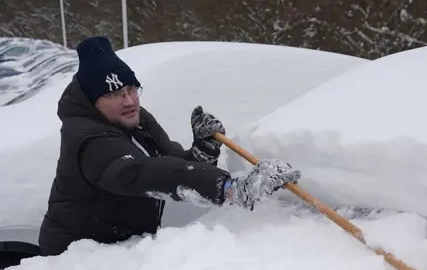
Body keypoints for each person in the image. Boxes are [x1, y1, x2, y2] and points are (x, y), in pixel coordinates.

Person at [38, 35, 301, 256]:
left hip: (120, 250)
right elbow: (141, 173)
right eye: (114, 94)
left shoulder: (136, 120)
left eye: (131, 89)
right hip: (76, 259)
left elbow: (174, 162)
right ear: (93, 101)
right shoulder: (87, 138)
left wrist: (203, 150)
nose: (129, 101)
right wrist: (231, 189)